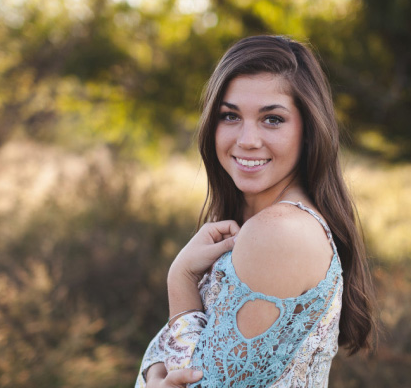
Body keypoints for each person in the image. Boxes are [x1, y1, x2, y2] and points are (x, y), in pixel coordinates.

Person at [135, 35, 375, 388]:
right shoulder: (259, 224)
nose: (247, 139)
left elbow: (194, 381)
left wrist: (182, 278)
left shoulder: (280, 233)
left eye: (272, 119)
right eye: (230, 115)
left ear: (308, 131)